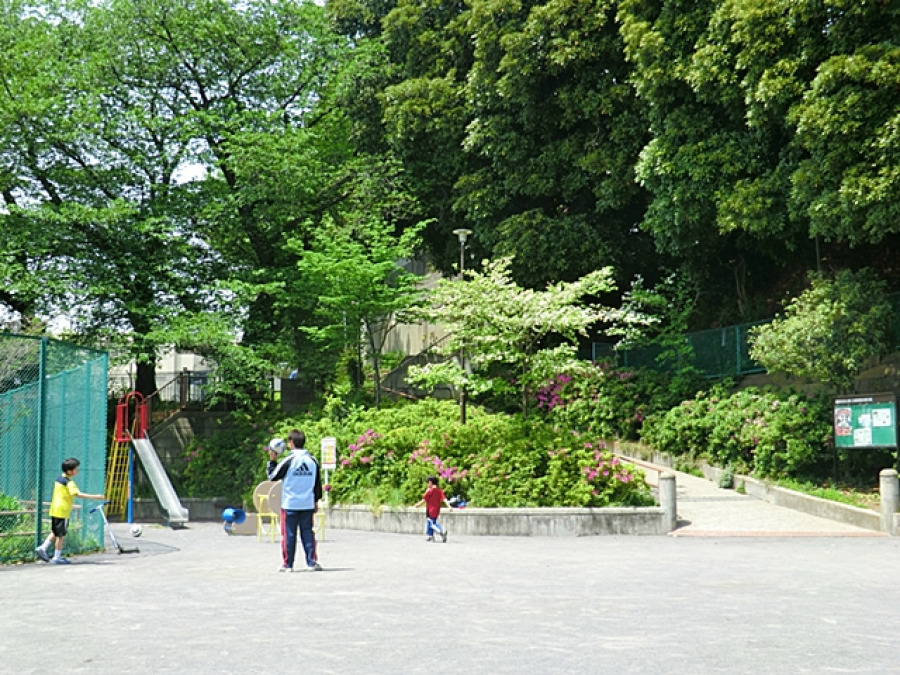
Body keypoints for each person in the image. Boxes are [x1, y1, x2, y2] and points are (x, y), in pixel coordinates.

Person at [267, 429, 323, 572]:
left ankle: (288, 564)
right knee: (308, 533)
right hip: (307, 504)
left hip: (290, 504)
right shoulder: (312, 460)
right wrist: (316, 501)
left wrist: (272, 461)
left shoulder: (288, 460)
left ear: (291, 443)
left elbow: (272, 476)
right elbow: (317, 484)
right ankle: (311, 562)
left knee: (289, 534)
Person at [35, 457, 105, 565]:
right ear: (69, 471)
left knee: (55, 532)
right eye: (76, 469)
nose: (77, 470)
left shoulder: (59, 479)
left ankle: (43, 548)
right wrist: (96, 496)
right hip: (62, 511)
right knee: (60, 535)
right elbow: (78, 494)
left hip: (55, 509)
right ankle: (56, 557)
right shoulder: (69, 482)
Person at [414, 475, 453, 542]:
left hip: (430, 510)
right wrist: (449, 506)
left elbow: (424, 500)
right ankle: (430, 536)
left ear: (430, 482)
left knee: (432, 523)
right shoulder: (439, 491)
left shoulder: (430, 491)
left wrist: (417, 505)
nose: (427, 484)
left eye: (427, 483)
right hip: (437, 510)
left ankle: (442, 531)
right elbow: (444, 499)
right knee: (430, 522)